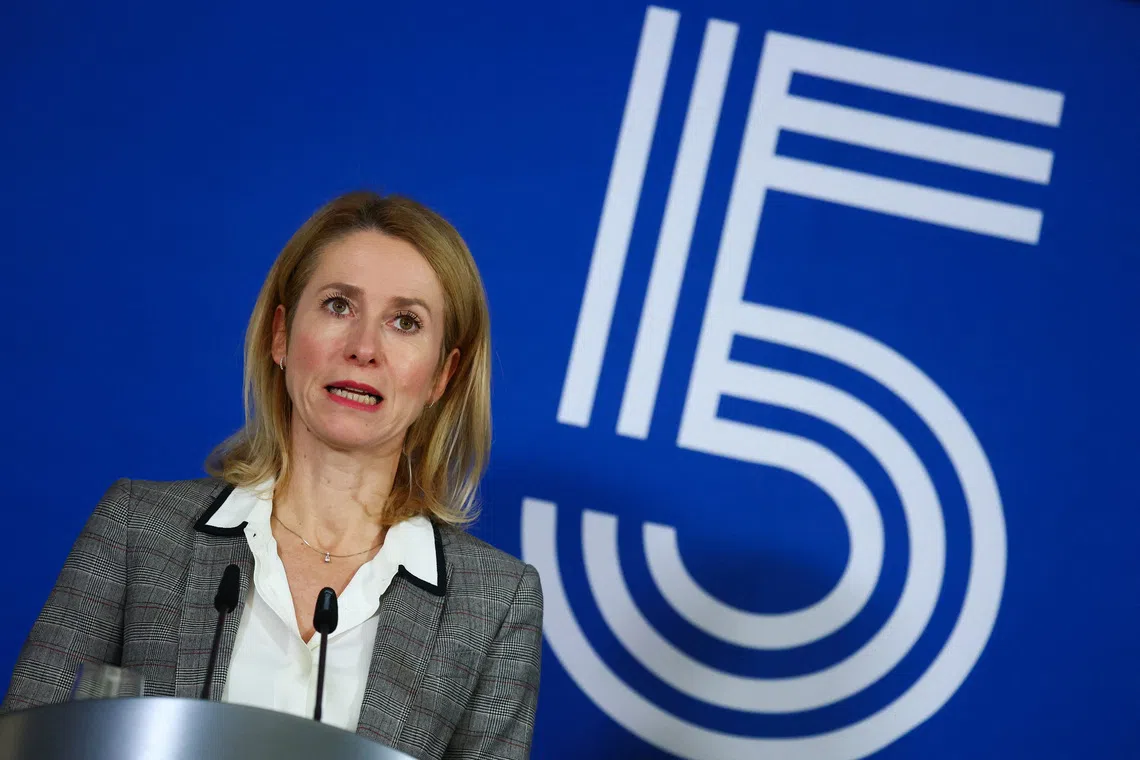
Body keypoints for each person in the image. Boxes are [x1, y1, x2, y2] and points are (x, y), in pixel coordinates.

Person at [0, 191, 544, 759]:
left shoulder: (494, 604)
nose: (364, 348)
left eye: (405, 322)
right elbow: (28, 745)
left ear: (441, 376)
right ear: (280, 335)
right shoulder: (139, 530)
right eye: (339, 306)